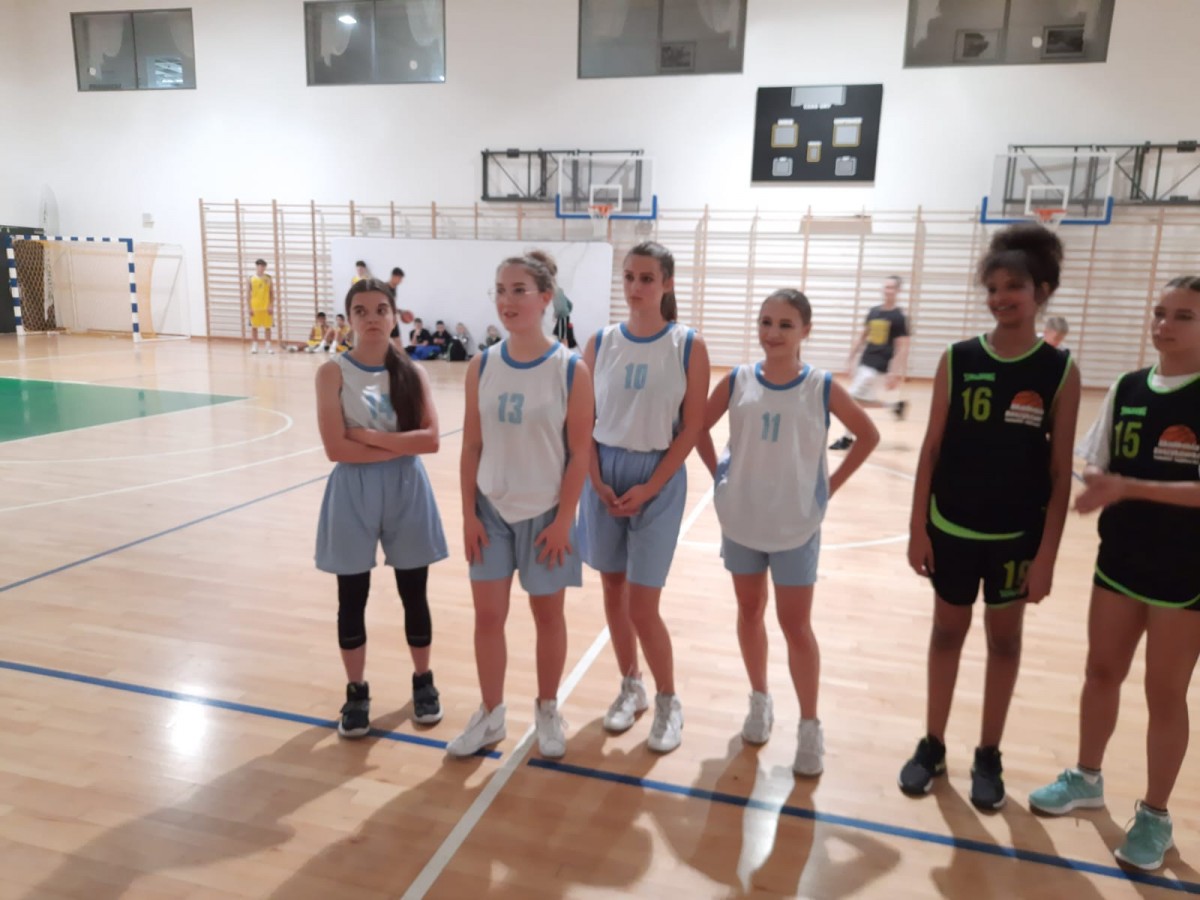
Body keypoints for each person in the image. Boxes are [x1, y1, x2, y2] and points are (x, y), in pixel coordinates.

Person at [899, 223, 1081, 809]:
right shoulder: (958, 358)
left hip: (1016, 537)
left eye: (1014, 288)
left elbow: (1060, 473)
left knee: (1004, 643)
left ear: (1041, 292)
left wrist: (1046, 556)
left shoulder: (1060, 371)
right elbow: (931, 448)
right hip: (951, 526)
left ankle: (988, 753)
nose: (1001, 298)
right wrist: (917, 528)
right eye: (993, 288)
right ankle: (932, 744)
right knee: (946, 633)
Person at [1028, 275, 1200, 871]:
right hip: (1120, 559)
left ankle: (1155, 815)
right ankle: (1087, 777)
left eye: (1183, 316)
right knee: (1101, 672)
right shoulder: (1127, 388)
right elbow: (1097, 461)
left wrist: (1129, 486)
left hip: (1186, 572)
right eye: (1160, 312)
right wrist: (1094, 481)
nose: (1164, 325)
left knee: (1164, 693)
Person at [697, 288, 879, 776]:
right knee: (749, 610)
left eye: (784, 324)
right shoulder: (737, 380)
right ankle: (759, 699)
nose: (772, 333)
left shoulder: (820, 385)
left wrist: (829, 487)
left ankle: (810, 725)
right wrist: (719, 477)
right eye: (765, 322)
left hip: (796, 524)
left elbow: (868, 435)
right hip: (742, 520)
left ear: (805, 331)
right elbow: (695, 427)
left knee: (796, 626)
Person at [448, 251, 594, 759]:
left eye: (518, 290)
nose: (506, 301)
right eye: (500, 290)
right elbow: (471, 446)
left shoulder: (570, 369)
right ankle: (490, 715)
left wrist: (564, 521)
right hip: (491, 511)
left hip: (546, 514)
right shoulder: (482, 365)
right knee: (488, 617)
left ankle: (547, 708)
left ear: (545, 298)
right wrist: (468, 514)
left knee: (547, 616)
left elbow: (580, 453)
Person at [579, 241, 710, 754]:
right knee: (613, 590)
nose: (635, 287)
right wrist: (595, 480)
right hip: (604, 473)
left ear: (667, 283)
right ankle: (630, 685)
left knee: (643, 602)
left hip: (657, 476)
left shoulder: (687, 345)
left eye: (647, 278)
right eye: (630, 277)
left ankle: (668, 699)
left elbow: (692, 427)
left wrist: (650, 487)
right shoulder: (600, 342)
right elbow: (582, 421)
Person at [313, 278, 449, 739]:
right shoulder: (332, 373)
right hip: (353, 490)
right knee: (352, 596)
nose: (371, 318)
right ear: (349, 319)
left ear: (394, 316)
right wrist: (398, 444)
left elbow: (431, 440)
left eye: (380, 310)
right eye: (361, 310)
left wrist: (369, 437)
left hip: (407, 487)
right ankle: (356, 692)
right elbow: (336, 449)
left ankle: (423, 681)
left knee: (414, 591)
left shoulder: (413, 372)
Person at [830, 275, 909, 450]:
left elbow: (902, 346)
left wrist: (895, 373)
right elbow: (862, 337)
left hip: (879, 365)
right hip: (865, 362)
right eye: (886, 287)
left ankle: (848, 438)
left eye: (891, 287)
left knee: (850, 399)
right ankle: (894, 406)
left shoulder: (898, 317)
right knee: (858, 401)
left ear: (898, 291)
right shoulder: (873, 312)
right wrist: (850, 358)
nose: (888, 290)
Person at [247, 258, 275, 354]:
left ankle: (268, 347)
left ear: (265, 267)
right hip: (255, 306)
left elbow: (272, 293)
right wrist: (249, 308)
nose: (261, 268)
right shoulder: (251, 278)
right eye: (259, 266)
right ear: (256, 267)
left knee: (268, 327)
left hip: (266, 307)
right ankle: (255, 346)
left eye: (263, 266)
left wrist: (271, 305)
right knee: (254, 327)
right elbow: (248, 294)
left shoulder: (268, 278)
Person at [388, 267, 412, 350]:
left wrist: (400, 311)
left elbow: (392, 305)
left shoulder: (394, 288)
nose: (401, 281)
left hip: (392, 319)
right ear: (394, 277)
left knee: (398, 343)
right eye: (400, 279)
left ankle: (400, 358)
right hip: (384, 320)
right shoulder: (384, 288)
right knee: (388, 342)